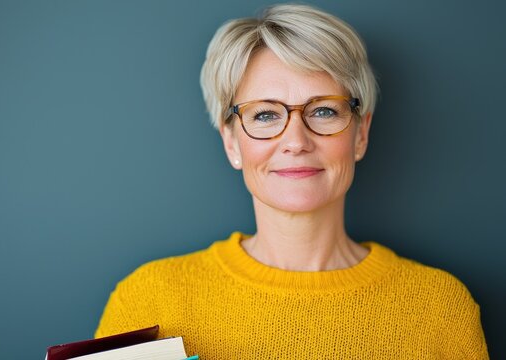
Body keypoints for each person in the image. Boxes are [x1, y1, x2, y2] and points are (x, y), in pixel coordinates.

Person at [94, 3, 488, 359]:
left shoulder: (439, 308)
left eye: (323, 111)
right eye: (265, 115)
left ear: (361, 134)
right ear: (231, 141)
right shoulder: (148, 299)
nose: (296, 142)